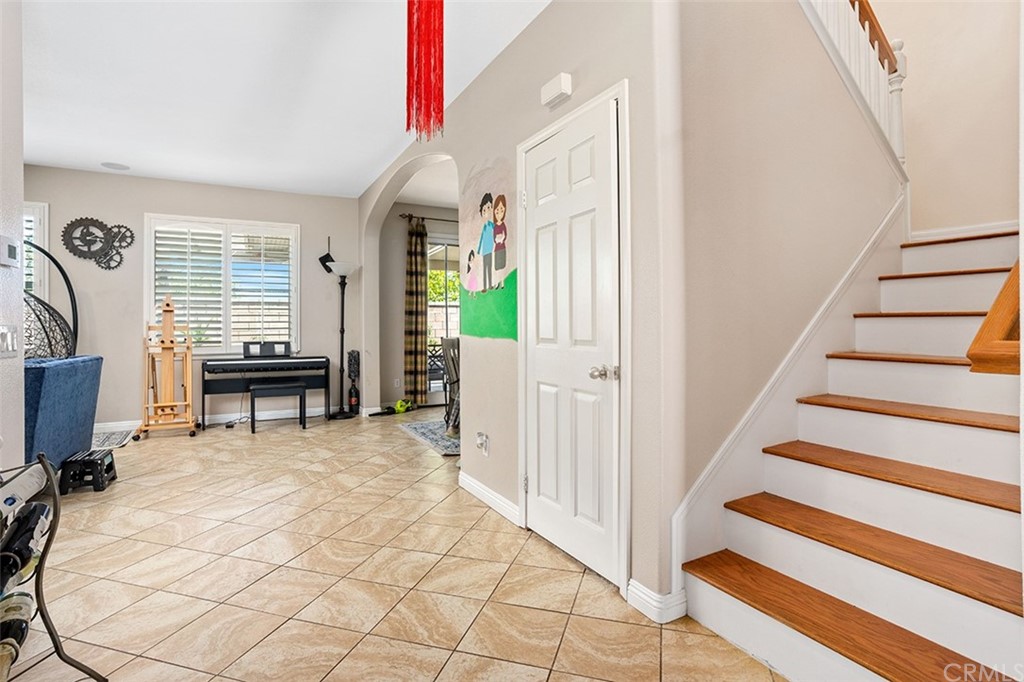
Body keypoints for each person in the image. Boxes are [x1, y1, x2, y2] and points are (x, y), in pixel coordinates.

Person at [476, 193, 495, 291]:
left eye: (488, 208)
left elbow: (495, 235)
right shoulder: (485, 227)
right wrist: (478, 250)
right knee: (485, 269)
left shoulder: (492, 225)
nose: (486, 212)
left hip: (490, 250)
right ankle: (484, 287)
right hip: (484, 251)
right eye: (484, 210)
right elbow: (481, 239)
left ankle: (490, 284)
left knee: (489, 268)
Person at [493, 194, 508, 289]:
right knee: (497, 267)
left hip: (502, 247)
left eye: (501, 210)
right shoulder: (495, 226)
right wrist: (497, 239)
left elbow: (505, 235)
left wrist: (502, 238)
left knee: (502, 266)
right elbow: (494, 237)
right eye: (497, 210)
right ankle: (497, 282)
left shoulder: (503, 225)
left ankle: (502, 282)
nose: (499, 213)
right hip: (497, 248)